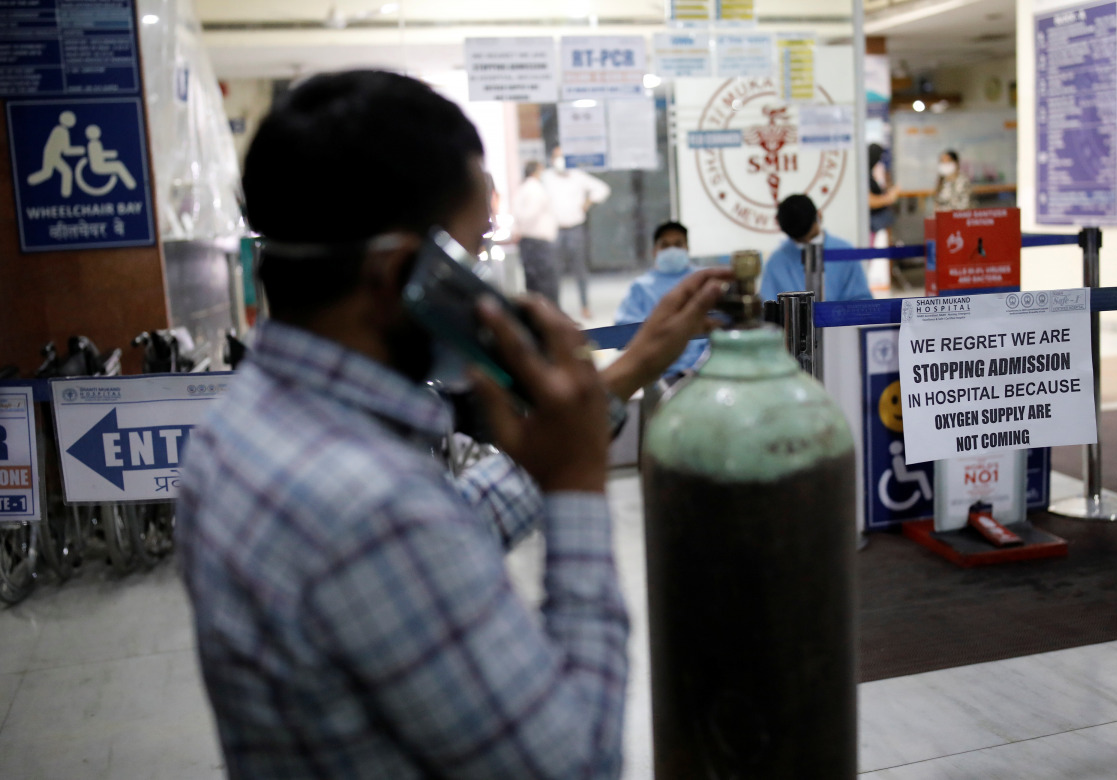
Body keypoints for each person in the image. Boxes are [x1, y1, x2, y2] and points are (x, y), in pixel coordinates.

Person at [176, 70, 731, 779]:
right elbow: (577, 764)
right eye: (471, 255)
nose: (486, 284)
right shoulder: (374, 507)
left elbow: (444, 528)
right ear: (400, 272)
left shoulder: (243, 425)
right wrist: (576, 485)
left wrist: (622, 374)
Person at [615, 221, 709, 377]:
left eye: (678, 244)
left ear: (687, 248)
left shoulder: (704, 281)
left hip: (706, 372)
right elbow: (623, 335)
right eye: (665, 245)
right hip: (658, 374)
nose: (672, 250)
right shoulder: (641, 288)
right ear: (654, 251)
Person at [759, 193, 873, 303]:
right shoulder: (776, 262)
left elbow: (863, 302)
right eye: (800, 241)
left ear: (819, 216)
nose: (807, 242)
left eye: (809, 237)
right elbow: (766, 307)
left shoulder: (845, 253)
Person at [542, 145, 611, 320]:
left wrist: (588, 202)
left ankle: (584, 306)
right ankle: (554, 309)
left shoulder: (578, 176)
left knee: (579, 270)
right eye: (557, 156)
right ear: (551, 159)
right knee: (554, 271)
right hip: (554, 230)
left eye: (564, 156)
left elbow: (602, 189)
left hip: (575, 228)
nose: (560, 160)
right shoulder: (546, 178)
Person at [512, 160, 559, 303]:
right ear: (535, 172)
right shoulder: (534, 189)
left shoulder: (524, 188)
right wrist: (520, 230)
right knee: (544, 283)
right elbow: (529, 215)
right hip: (536, 243)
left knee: (534, 282)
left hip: (531, 242)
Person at [867, 143, 899, 247]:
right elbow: (869, 201)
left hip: (878, 225)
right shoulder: (864, 175)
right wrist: (889, 197)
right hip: (874, 224)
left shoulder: (870, 174)